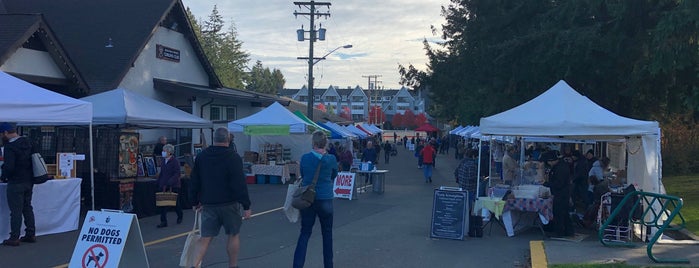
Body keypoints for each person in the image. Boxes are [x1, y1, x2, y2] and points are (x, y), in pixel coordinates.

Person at [189, 128, 251, 268]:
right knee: (233, 234)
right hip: (230, 203)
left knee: (205, 238)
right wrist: (246, 205)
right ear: (228, 139)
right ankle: (232, 265)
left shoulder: (202, 156)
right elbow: (239, 183)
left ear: (214, 139)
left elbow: (195, 181)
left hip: (209, 203)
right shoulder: (233, 157)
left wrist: (194, 201)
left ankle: (194, 265)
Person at [294, 130, 338, 268]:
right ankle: (328, 265)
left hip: (308, 198)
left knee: (305, 232)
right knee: (327, 233)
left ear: (313, 142)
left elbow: (302, 174)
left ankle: (297, 265)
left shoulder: (305, 158)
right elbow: (334, 174)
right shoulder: (331, 159)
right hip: (325, 197)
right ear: (325, 144)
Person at [0, 122, 36, 246]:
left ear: (5, 133)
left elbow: (9, 167)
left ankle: (14, 237)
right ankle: (30, 233)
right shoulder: (28, 142)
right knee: (27, 207)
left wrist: (3, 176)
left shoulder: (10, 146)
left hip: (15, 182)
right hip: (29, 180)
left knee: (16, 211)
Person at [541, 151, 574, 237]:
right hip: (562, 193)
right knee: (564, 213)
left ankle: (561, 232)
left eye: (548, 162)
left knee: (559, 213)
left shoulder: (561, 168)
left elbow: (559, 183)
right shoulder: (559, 166)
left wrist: (546, 183)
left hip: (562, 194)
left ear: (551, 160)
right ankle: (568, 231)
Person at [156, 144, 182, 228]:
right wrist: (159, 182)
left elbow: (177, 173)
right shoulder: (163, 161)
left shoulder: (175, 161)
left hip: (173, 185)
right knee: (163, 204)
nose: (163, 152)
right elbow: (162, 173)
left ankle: (180, 215)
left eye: (164, 151)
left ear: (169, 152)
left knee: (175, 203)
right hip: (164, 185)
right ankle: (163, 221)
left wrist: (170, 182)